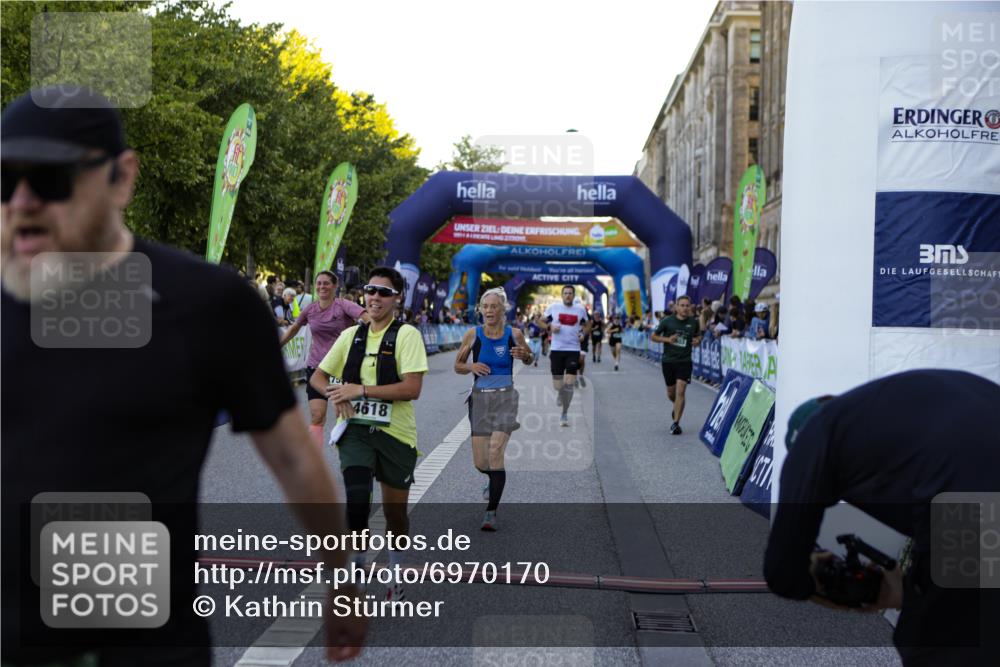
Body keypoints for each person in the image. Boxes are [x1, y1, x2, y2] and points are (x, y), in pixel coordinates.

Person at [0, 86, 365, 665]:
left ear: (122, 178)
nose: (20, 201)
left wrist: (339, 580)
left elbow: (294, 457)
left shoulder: (207, 306)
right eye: (2, 181)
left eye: (49, 178)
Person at [765, 370, 1000, 666]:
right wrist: (903, 591)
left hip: (972, 499)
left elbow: (781, 572)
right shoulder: (887, 417)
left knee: (935, 643)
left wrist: (819, 578)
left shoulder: (816, 433)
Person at [311, 266, 428, 603]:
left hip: (396, 435)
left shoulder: (407, 335)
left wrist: (359, 390)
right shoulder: (351, 336)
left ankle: (395, 574)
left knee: (395, 516)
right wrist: (337, 394)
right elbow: (318, 376)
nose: (375, 297)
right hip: (356, 432)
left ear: (397, 298)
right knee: (357, 504)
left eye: (383, 292)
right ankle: (357, 574)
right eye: (370, 291)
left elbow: (412, 388)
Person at [454, 288, 533, 531]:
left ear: (503, 310)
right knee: (481, 463)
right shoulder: (472, 334)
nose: (489, 310)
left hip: (506, 398)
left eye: (493, 306)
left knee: (496, 451)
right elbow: (457, 365)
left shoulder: (515, 334)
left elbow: (529, 358)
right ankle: (492, 479)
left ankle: (491, 512)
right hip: (479, 400)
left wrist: (525, 354)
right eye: (485, 306)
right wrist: (471, 366)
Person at [281, 271, 369, 446]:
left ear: (335, 286)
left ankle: (350, 460)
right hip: (317, 368)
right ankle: (315, 466)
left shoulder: (343, 305)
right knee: (317, 416)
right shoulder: (310, 309)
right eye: (319, 283)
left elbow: (367, 318)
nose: (322, 287)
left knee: (343, 415)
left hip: (342, 368)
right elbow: (293, 329)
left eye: (326, 283)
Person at [538, 286, 590, 427]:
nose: (568, 295)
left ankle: (564, 413)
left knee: (569, 384)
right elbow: (539, 321)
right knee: (558, 385)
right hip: (556, 350)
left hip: (573, 350)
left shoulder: (580, 309)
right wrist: (550, 328)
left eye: (570, 293)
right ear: (562, 295)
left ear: (573, 295)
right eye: (565, 293)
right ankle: (560, 393)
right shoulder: (554, 308)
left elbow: (587, 324)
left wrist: (583, 334)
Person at [650, 295, 702, 435]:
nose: (685, 308)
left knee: (681, 390)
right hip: (668, 361)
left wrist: (697, 341)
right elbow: (653, 336)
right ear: (677, 307)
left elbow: (698, 336)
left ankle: (676, 423)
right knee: (671, 394)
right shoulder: (667, 321)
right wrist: (667, 339)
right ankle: (677, 406)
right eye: (682, 305)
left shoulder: (694, 322)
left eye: (687, 305)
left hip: (685, 361)